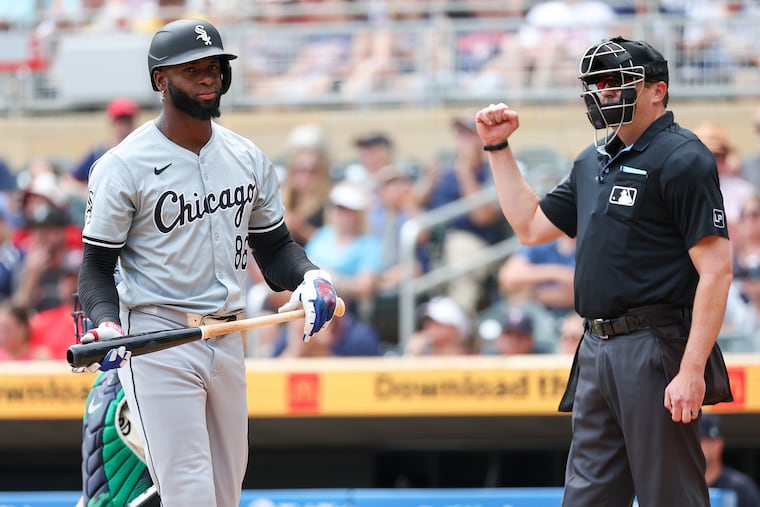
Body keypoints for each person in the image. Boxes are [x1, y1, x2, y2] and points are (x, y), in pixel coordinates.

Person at [75, 18, 338, 507]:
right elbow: (95, 266)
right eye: (192, 68)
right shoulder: (122, 165)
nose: (208, 76)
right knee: (191, 493)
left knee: (224, 494)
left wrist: (310, 277)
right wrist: (107, 325)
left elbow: (275, 247)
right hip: (158, 338)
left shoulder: (246, 156)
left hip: (228, 334)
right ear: (160, 80)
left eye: (214, 66)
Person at [474, 36, 733, 506]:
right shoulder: (592, 159)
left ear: (658, 90)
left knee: (670, 496)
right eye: (597, 85)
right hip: (594, 347)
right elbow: (530, 227)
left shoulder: (683, 158)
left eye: (617, 83)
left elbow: (717, 271)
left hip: (655, 345)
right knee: (587, 497)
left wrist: (692, 369)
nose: (604, 93)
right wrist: (498, 148)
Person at [701, 413, 760, 507]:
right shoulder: (684, 487)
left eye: (704, 441)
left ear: (719, 444)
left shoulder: (741, 488)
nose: (700, 447)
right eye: (697, 441)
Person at [404, 296, 473, 356]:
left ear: (455, 329)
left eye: (438, 321)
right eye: (428, 320)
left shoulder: (476, 361)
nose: (430, 325)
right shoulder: (421, 361)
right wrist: (412, 355)